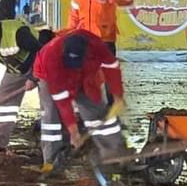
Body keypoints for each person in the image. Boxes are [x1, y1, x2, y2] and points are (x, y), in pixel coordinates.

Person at [33, 30, 128, 174]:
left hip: (85, 75)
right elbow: (63, 102)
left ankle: (115, 154)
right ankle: (51, 161)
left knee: (98, 113)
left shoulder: (97, 45)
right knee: (51, 117)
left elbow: (112, 67)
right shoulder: (51, 56)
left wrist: (117, 96)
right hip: (49, 75)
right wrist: (74, 132)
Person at [0, 18, 53, 150]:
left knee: (49, 104)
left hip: (43, 65)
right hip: (16, 68)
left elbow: (41, 53)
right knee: (3, 101)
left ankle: (52, 145)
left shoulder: (18, 33)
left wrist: (33, 78)